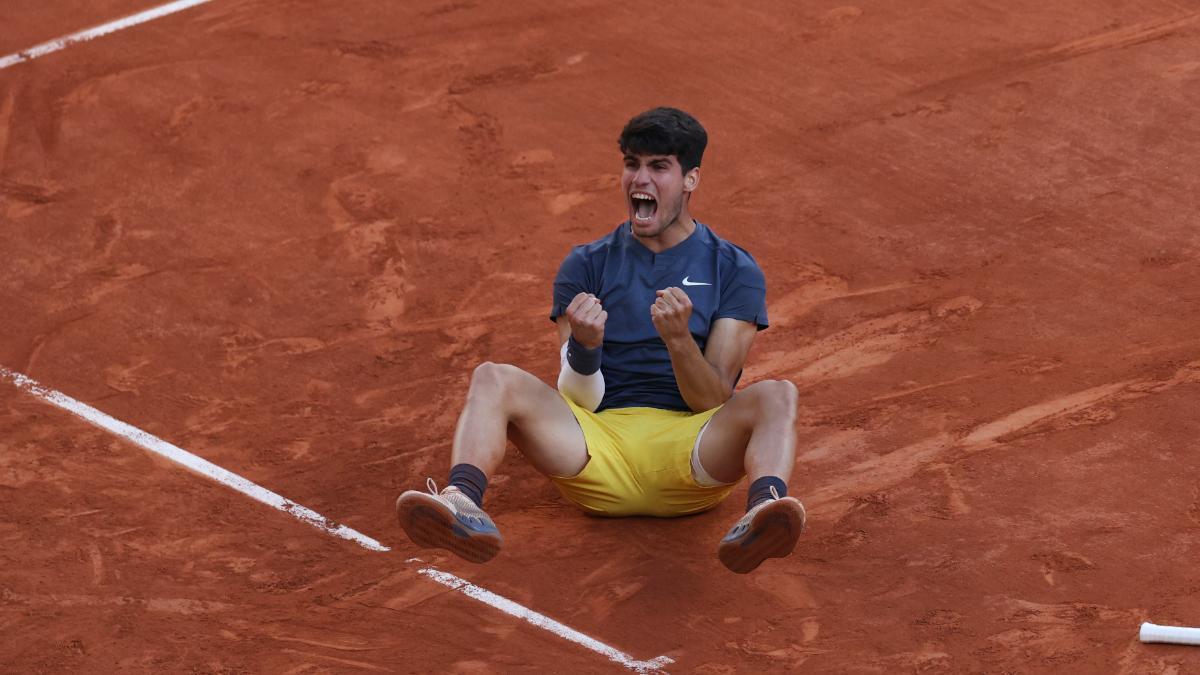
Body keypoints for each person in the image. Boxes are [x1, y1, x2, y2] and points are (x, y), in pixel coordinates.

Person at [396, 107, 804, 574]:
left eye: (658, 166)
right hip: (594, 449)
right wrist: (586, 349)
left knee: (778, 395)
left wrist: (678, 341)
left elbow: (711, 399)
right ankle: (461, 502)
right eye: (632, 163)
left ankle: (763, 510)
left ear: (690, 179)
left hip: (693, 456)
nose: (640, 179)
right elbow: (578, 399)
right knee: (493, 378)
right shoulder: (585, 265)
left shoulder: (733, 269)